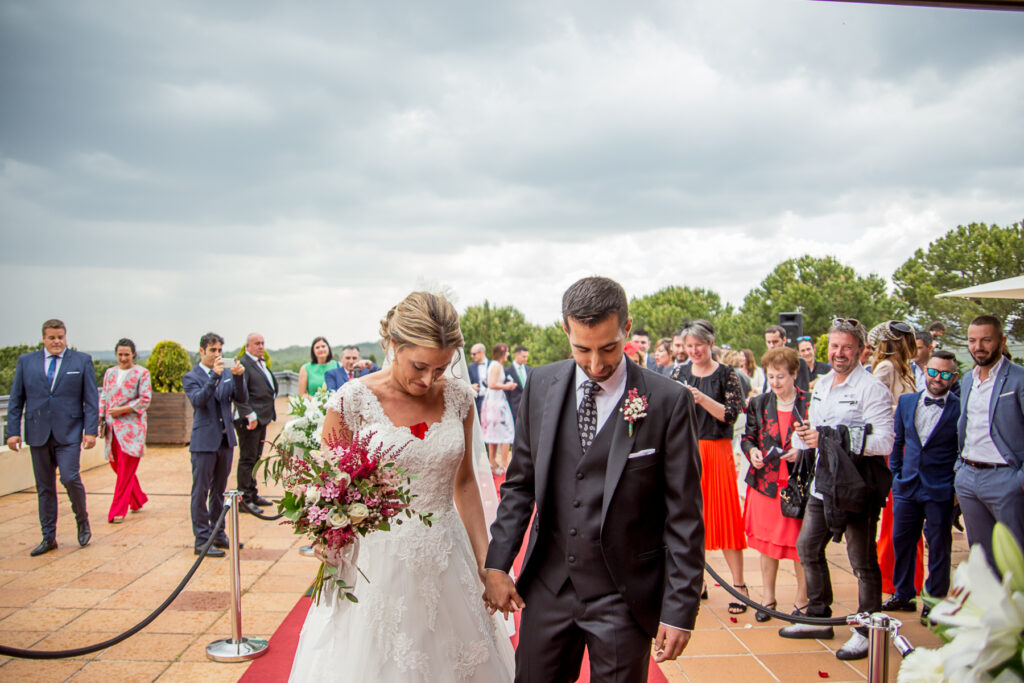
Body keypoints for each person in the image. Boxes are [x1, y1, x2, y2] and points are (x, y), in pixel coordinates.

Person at [483, 276, 703, 681]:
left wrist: (679, 610)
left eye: (609, 348)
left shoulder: (669, 402)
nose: (597, 364)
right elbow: (520, 485)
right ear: (565, 330)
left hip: (623, 594)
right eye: (582, 349)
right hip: (547, 589)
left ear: (628, 329)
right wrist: (497, 565)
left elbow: (684, 516)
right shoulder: (541, 386)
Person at [289, 291, 515, 682]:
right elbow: (327, 486)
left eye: (441, 369)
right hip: (376, 565)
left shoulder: (459, 397)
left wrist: (486, 565)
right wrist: (329, 532)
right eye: (420, 365)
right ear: (393, 343)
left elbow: (464, 484)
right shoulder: (352, 401)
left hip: (448, 557)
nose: (428, 380)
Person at [779, 318, 894, 661]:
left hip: (857, 485)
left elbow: (885, 440)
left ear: (861, 350)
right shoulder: (823, 384)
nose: (839, 353)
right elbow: (814, 430)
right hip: (822, 483)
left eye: (846, 347)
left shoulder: (872, 388)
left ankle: (867, 628)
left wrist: (832, 438)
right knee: (808, 547)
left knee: (862, 559)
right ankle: (818, 614)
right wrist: (803, 436)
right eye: (835, 346)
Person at [673, 320, 748, 612]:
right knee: (690, 518)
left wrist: (701, 398)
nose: (693, 351)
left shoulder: (728, 375)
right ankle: (697, 581)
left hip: (717, 451)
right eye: (689, 346)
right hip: (687, 450)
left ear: (710, 344)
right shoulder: (678, 372)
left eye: (698, 346)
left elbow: (731, 415)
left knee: (726, 517)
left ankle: (739, 585)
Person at [6, 319, 98, 556]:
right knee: (44, 487)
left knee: (69, 477)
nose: (56, 342)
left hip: (68, 432)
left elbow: (91, 400)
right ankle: (48, 537)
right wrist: (12, 432)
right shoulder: (27, 362)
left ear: (65, 337)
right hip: (38, 433)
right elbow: (16, 400)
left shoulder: (81, 361)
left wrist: (90, 431)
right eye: (51, 338)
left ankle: (82, 519)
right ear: (43, 339)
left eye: (60, 337)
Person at [884, 350, 961, 621]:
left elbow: (962, 450)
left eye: (945, 374)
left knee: (939, 544)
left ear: (954, 377)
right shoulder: (906, 402)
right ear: (925, 370)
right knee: (902, 540)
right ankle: (903, 593)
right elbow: (898, 442)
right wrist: (896, 475)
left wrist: (955, 487)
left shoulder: (960, 408)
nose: (938, 378)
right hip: (907, 484)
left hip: (941, 488)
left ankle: (934, 600)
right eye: (933, 372)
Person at [741, 347, 810, 622]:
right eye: (771, 376)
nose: (776, 383)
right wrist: (752, 452)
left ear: (794, 374)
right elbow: (748, 437)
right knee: (768, 545)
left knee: (801, 546)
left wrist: (803, 452)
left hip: (796, 484)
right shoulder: (759, 402)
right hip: (766, 484)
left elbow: (821, 440)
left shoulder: (809, 402)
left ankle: (802, 601)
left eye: (781, 376)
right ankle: (767, 598)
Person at [955, 314, 1024, 565]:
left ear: (1002, 341)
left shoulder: (1019, 378)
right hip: (968, 478)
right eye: (972, 341)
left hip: (1007, 479)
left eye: (986, 340)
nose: (978, 347)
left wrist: (1020, 479)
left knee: (1015, 557)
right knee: (981, 559)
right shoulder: (967, 379)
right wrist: (958, 469)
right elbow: (966, 426)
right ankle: (991, 605)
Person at [869, 320, 924, 598]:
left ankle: (909, 581)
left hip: (910, 448)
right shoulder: (887, 367)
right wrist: (908, 408)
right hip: (894, 450)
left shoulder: (907, 369)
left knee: (911, 521)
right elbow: (875, 404)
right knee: (896, 520)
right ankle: (890, 579)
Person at [183, 333, 248, 558]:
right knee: (200, 491)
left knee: (219, 491)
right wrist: (213, 376)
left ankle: (218, 534)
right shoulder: (191, 377)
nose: (217, 355)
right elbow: (199, 400)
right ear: (202, 351)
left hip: (225, 440)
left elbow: (242, 398)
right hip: (204, 441)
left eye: (220, 350)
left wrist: (239, 377)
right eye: (212, 350)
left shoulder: (228, 374)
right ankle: (201, 539)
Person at [98, 338, 151, 524]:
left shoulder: (141, 373)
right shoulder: (109, 373)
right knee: (116, 465)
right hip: (112, 428)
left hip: (132, 428)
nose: (123, 358)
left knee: (125, 470)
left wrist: (122, 410)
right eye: (120, 354)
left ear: (133, 355)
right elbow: (104, 395)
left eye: (126, 354)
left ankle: (117, 511)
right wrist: (101, 416)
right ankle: (138, 498)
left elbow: (145, 399)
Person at [233, 333, 279, 516]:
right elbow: (239, 392)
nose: (261, 346)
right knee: (247, 459)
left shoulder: (260, 363)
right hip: (249, 420)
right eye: (256, 343)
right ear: (247, 346)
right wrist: (249, 415)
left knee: (255, 459)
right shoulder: (243, 364)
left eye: (262, 343)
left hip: (262, 418)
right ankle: (244, 499)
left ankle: (252, 493)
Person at [480, 343, 516, 475]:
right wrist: (508, 386)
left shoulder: (494, 365)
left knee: (493, 432)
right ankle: (504, 464)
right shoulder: (497, 366)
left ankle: (492, 463)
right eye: (507, 352)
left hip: (494, 401)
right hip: (496, 403)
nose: (508, 354)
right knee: (506, 432)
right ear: (502, 353)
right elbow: (491, 384)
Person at [764, 325, 810, 393]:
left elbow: (803, 391)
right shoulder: (767, 362)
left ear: (784, 340)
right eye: (769, 342)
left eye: (775, 342)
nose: (772, 346)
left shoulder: (797, 361)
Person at [504, 344, 531, 418]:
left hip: (529, 407)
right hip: (514, 409)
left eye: (527, 356)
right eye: (524, 356)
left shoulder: (530, 370)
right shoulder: (507, 371)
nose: (526, 359)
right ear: (516, 355)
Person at [466, 343, 489, 416]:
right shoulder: (470, 367)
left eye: (474, 354)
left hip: (490, 400)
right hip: (477, 401)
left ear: (481, 352)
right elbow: (467, 383)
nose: (472, 356)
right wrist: (471, 386)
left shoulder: (493, 365)